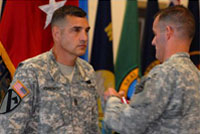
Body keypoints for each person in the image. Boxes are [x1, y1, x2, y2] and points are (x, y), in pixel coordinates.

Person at [0, 5, 99, 134]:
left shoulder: (87, 72)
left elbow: (93, 127)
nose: (84, 37)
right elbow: (7, 126)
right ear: (57, 34)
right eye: (76, 30)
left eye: (86, 30)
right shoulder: (31, 71)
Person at [104, 5, 200, 134]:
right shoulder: (196, 75)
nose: (153, 42)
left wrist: (112, 100)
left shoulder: (164, 73)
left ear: (168, 32)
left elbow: (128, 124)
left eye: (155, 34)